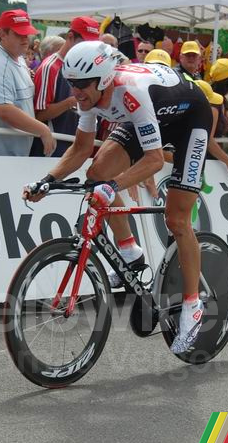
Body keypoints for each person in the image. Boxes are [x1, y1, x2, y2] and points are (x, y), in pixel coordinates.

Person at [23, 41, 213, 354]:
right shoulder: (90, 98)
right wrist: (47, 180)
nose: (77, 92)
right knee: (96, 175)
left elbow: (153, 160)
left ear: (103, 80)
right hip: (150, 117)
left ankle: (193, 307)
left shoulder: (129, 92)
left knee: (177, 219)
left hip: (190, 120)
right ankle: (130, 251)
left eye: (83, 86)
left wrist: (114, 186)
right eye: (72, 84)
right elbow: (81, 148)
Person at [0, 9, 55, 157]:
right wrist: (43, 130)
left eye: (26, 34)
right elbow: (3, 109)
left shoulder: (17, 58)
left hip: (9, 153)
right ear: (3, 34)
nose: (25, 39)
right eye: (19, 34)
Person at [32, 16, 100, 157]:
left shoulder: (86, 66)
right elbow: (39, 115)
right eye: (85, 42)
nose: (89, 48)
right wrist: (71, 102)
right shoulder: (50, 67)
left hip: (73, 149)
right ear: (70, 37)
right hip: (52, 150)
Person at [194, 79, 228, 180]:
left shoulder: (221, 102)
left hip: (202, 161)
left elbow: (213, 136)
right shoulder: (214, 107)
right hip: (201, 161)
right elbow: (208, 140)